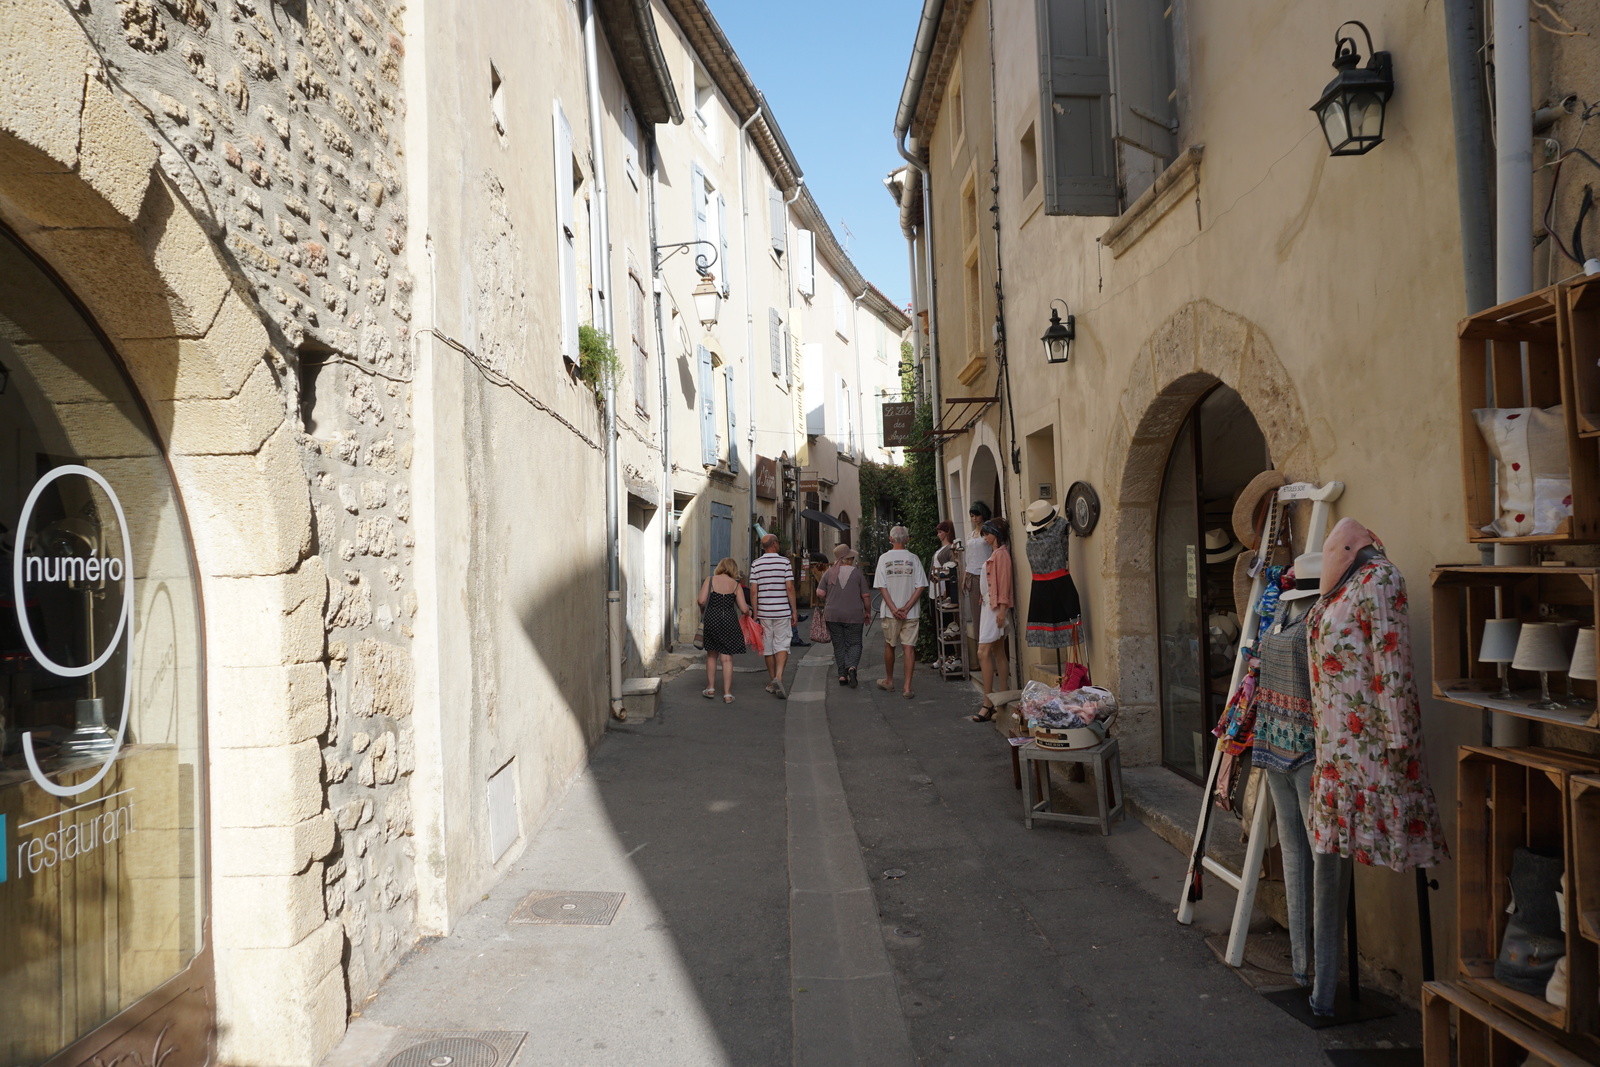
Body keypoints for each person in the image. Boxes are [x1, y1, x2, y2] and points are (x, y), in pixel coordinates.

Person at [874, 525, 927, 699]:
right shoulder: (914, 559)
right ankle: (907, 687)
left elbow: (882, 587)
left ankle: (889, 680)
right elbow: (920, 586)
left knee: (890, 644)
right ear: (907, 539)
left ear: (890, 539)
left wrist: (894, 608)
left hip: (891, 612)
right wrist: (907, 607)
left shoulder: (883, 559)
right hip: (911, 613)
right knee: (909, 648)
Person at [971, 517, 1013, 722]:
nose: (985, 537)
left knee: (983, 651)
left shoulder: (1001, 555)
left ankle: (988, 703)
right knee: (997, 651)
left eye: (987, 533)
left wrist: (1003, 611)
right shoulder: (997, 554)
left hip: (995, 608)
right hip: (990, 606)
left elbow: (1004, 584)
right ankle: (1001, 699)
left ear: (995, 534)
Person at [817, 542, 872, 687]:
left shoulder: (829, 572)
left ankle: (842, 674)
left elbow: (820, 593)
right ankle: (852, 667)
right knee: (854, 643)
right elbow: (866, 595)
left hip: (833, 615)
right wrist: (867, 612)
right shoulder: (857, 573)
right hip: (854, 615)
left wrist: (831, 596)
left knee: (839, 644)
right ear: (848, 559)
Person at [749, 533, 796, 699]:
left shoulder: (756, 564)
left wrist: (755, 612)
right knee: (782, 643)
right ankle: (779, 677)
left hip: (764, 612)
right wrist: (794, 610)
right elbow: (789, 588)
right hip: (782, 611)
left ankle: (772, 680)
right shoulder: (784, 562)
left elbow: (753, 591)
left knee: (767, 645)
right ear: (775, 544)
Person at [697, 557, 749, 703]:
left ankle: (711, 688)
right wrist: (750, 613)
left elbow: (701, 600)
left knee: (712, 655)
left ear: (720, 567)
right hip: (729, 621)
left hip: (712, 619)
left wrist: (703, 610)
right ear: (733, 569)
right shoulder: (736, 585)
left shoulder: (710, 580)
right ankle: (727, 694)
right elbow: (744, 609)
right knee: (727, 659)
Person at [963, 501, 994, 649]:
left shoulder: (988, 533)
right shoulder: (970, 535)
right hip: (972, 574)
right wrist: (965, 576)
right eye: (972, 516)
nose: (974, 518)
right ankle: (980, 649)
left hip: (986, 574)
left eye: (977, 515)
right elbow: (968, 557)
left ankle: (991, 649)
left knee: (989, 612)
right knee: (976, 614)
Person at [931, 521, 958, 609]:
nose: (938, 535)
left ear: (947, 532)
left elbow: (952, 565)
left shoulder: (950, 548)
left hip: (943, 582)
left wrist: (948, 590)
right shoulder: (941, 549)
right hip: (935, 581)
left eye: (940, 532)